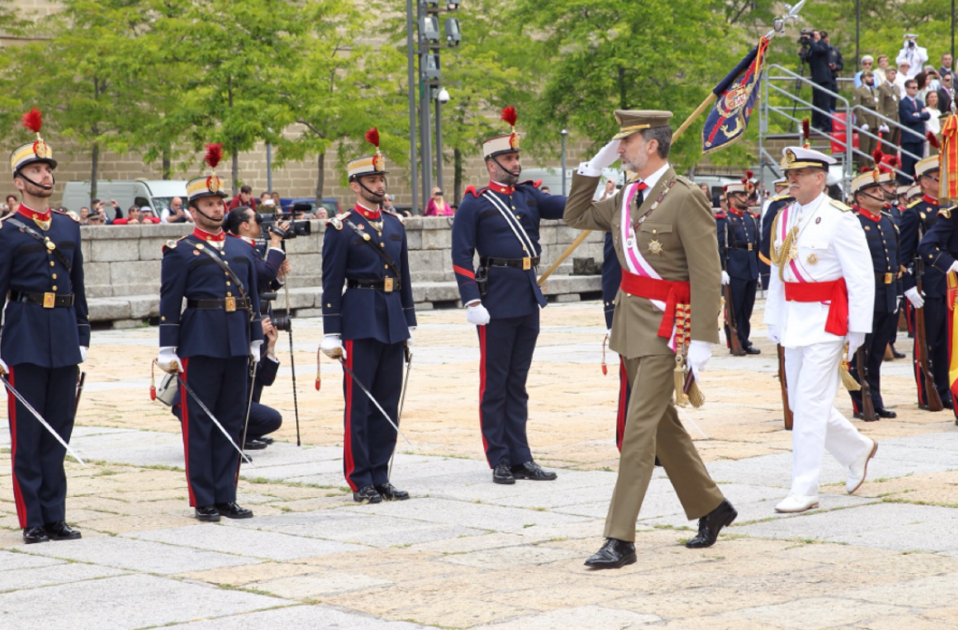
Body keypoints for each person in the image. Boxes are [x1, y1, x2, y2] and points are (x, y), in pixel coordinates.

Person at [564, 110, 736, 569]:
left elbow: (705, 272)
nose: (621, 149)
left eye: (627, 142)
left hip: (667, 328)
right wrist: (592, 168)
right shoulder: (624, 198)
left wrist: (702, 338)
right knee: (661, 425)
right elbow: (575, 213)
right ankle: (712, 506)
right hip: (630, 325)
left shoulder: (685, 197)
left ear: (652, 145)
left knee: (637, 433)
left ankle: (620, 539)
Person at [451, 107, 566, 486]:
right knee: (495, 383)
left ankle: (521, 456)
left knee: (518, 383)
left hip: (526, 295)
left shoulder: (530, 198)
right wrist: (471, 301)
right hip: (495, 299)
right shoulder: (476, 203)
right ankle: (499, 457)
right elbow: (461, 253)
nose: (516, 164)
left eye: (517, 157)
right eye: (509, 158)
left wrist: (594, 173)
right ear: (491, 163)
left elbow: (570, 206)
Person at [764, 146, 877, 514]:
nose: (791, 179)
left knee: (810, 406)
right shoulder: (782, 216)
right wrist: (773, 318)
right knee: (800, 402)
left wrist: (857, 329)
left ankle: (805, 488)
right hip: (795, 317)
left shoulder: (839, 217)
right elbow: (778, 274)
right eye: (789, 173)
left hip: (829, 318)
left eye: (799, 174)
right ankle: (857, 448)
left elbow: (860, 276)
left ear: (820, 178)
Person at [156, 144, 263, 523]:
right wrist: (167, 346)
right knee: (200, 422)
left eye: (221, 203)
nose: (218, 209)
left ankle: (226, 493)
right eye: (210, 204)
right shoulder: (181, 250)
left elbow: (251, 297)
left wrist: (255, 338)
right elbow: (170, 301)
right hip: (200, 339)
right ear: (193, 209)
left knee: (233, 419)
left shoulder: (241, 249)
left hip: (236, 338)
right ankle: (204, 497)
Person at [0, 108, 89, 544]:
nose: (44, 175)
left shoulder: (69, 227)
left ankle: (56, 515)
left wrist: (83, 335)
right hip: (25, 334)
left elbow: (79, 287)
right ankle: (32, 517)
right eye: (35, 169)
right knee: (29, 433)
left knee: (58, 430)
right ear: (19, 182)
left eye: (47, 168)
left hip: (63, 335)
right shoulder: (7, 231)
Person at [320, 128, 415, 504]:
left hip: (391, 318)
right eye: (372, 180)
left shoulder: (394, 224)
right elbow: (331, 283)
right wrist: (332, 332)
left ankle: (382, 473)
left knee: (387, 401)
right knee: (360, 404)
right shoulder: (341, 228)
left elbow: (404, 277)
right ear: (355, 186)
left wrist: (409, 322)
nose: (379, 185)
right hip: (359, 316)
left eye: (381, 179)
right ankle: (360, 479)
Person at [845, 170, 901, 419]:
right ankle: (861, 403)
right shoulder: (854, 223)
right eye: (876, 191)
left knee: (877, 352)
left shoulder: (888, 221)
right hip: (866, 294)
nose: (882, 194)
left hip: (888, 293)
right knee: (862, 352)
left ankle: (875, 400)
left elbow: (896, 260)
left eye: (881, 190)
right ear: (860, 197)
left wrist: (898, 293)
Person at [900, 155, 952, 409]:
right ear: (924, 182)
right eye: (937, 178)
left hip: (948, 284)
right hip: (927, 286)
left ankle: (946, 390)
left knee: (946, 342)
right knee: (928, 341)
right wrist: (908, 287)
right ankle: (927, 392)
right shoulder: (915, 212)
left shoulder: (950, 208)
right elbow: (904, 255)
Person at [719, 177, 761, 354]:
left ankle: (744, 340)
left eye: (746, 194)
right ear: (730, 199)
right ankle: (734, 342)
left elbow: (756, 245)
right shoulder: (724, 220)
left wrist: (757, 269)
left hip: (750, 267)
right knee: (734, 308)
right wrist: (721, 269)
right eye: (741, 195)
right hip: (734, 268)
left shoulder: (750, 218)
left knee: (747, 307)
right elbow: (720, 247)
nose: (745, 198)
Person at [899, 79, 930, 183]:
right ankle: (904, 187)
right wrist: (921, 114)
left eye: (916, 87)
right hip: (909, 139)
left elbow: (927, 115)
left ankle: (918, 186)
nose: (915, 90)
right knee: (907, 166)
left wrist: (917, 114)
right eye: (912, 88)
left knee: (918, 165)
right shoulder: (903, 103)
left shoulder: (919, 102)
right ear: (907, 89)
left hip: (919, 137)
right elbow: (909, 118)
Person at [803, 30, 834, 132]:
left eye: (815, 34)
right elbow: (811, 59)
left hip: (824, 79)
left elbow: (820, 50)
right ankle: (815, 124)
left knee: (824, 103)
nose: (813, 36)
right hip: (816, 78)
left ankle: (825, 125)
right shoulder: (813, 47)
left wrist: (810, 40)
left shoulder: (823, 44)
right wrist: (803, 53)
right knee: (816, 103)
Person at [853, 70, 881, 169]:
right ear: (863, 79)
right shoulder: (859, 91)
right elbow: (856, 107)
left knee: (873, 146)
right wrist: (862, 122)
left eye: (872, 77)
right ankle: (865, 168)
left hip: (875, 121)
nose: (872, 79)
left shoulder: (875, 91)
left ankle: (873, 166)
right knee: (865, 146)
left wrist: (881, 122)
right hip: (866, 121)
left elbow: (878, 107)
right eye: (869, 77)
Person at [878, 67, 901, 154]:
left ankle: (893, 165)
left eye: (895, 73)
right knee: (887, 146)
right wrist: (882, 121)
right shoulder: (882, 87)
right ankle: (885, 164)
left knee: (894, 146)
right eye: (892, 73)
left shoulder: (897, 88)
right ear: (886, 74)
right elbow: (880, 105)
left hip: (896, 119)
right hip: (888, 119)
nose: (894, 75)